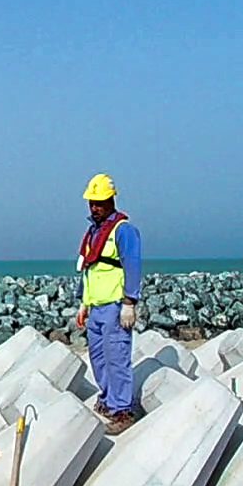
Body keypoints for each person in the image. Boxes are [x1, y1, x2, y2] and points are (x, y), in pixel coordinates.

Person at [73, 173, 142, 434]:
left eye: (100, 202)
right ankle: (106, 400)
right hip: (96, 306)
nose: (95, 207)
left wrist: (129, 302)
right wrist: (84, 303)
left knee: (117, 358)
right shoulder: (94, 232)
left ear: (111, 200)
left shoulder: (123, 231)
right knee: (99, 359)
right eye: (92, 202)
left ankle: (122, 410)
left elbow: (132, 265)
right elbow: (89, 269)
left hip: (115, 306)